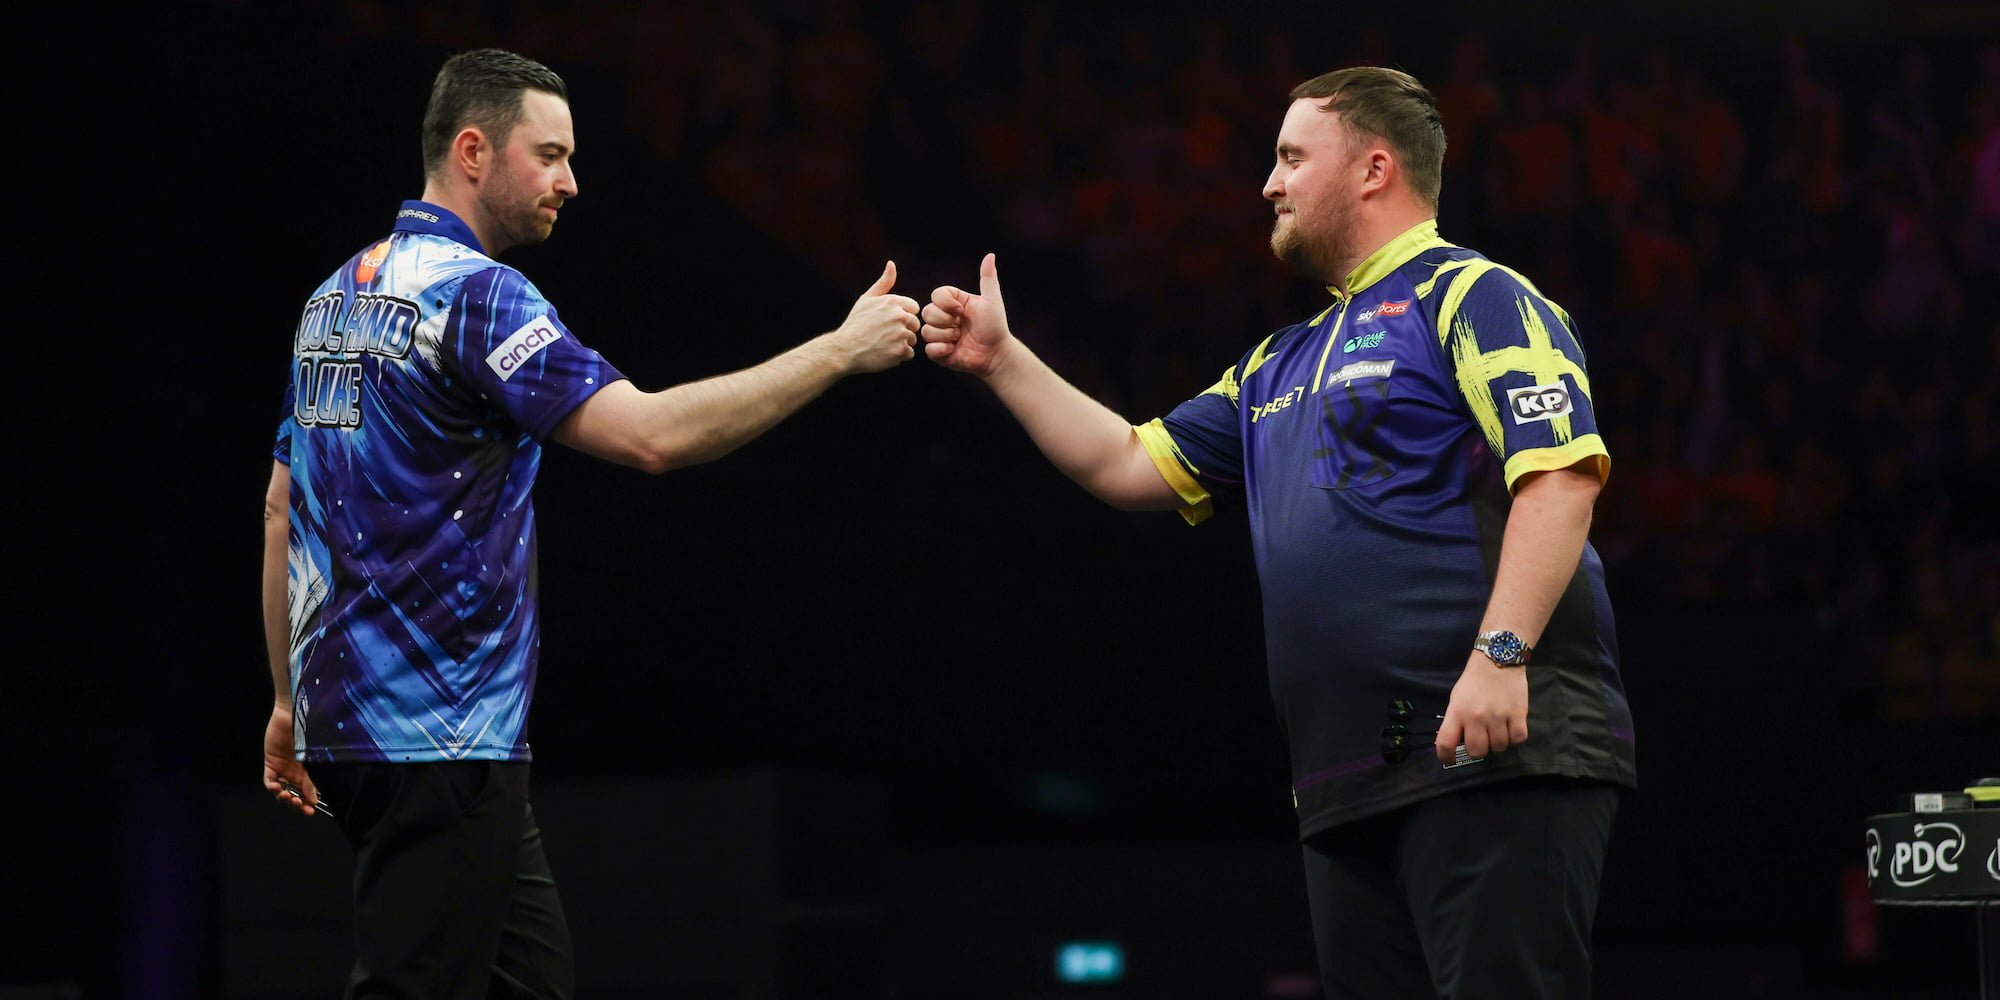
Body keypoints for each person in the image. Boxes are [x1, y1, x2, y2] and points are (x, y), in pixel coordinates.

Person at [921, 65, 1636, 998]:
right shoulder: (1276, 363)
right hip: (1346, 781)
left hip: (1493, 751)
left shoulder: (1475, 295)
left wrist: (1502, 655)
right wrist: (1004, 362)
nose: (1270, 182)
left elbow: (1562, 475)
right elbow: (1129, 465)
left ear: (1374, 169)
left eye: (1293, 157)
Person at [259, 48, 918, 999]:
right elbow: (651, 437)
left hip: (366, 733)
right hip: (438, 740)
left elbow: (281, 509)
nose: (572, 182)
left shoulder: (334, 297)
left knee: (534, 983)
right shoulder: (479, 296)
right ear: (474, 151)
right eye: (551, 155)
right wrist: (838, 351)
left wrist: (287, 704)